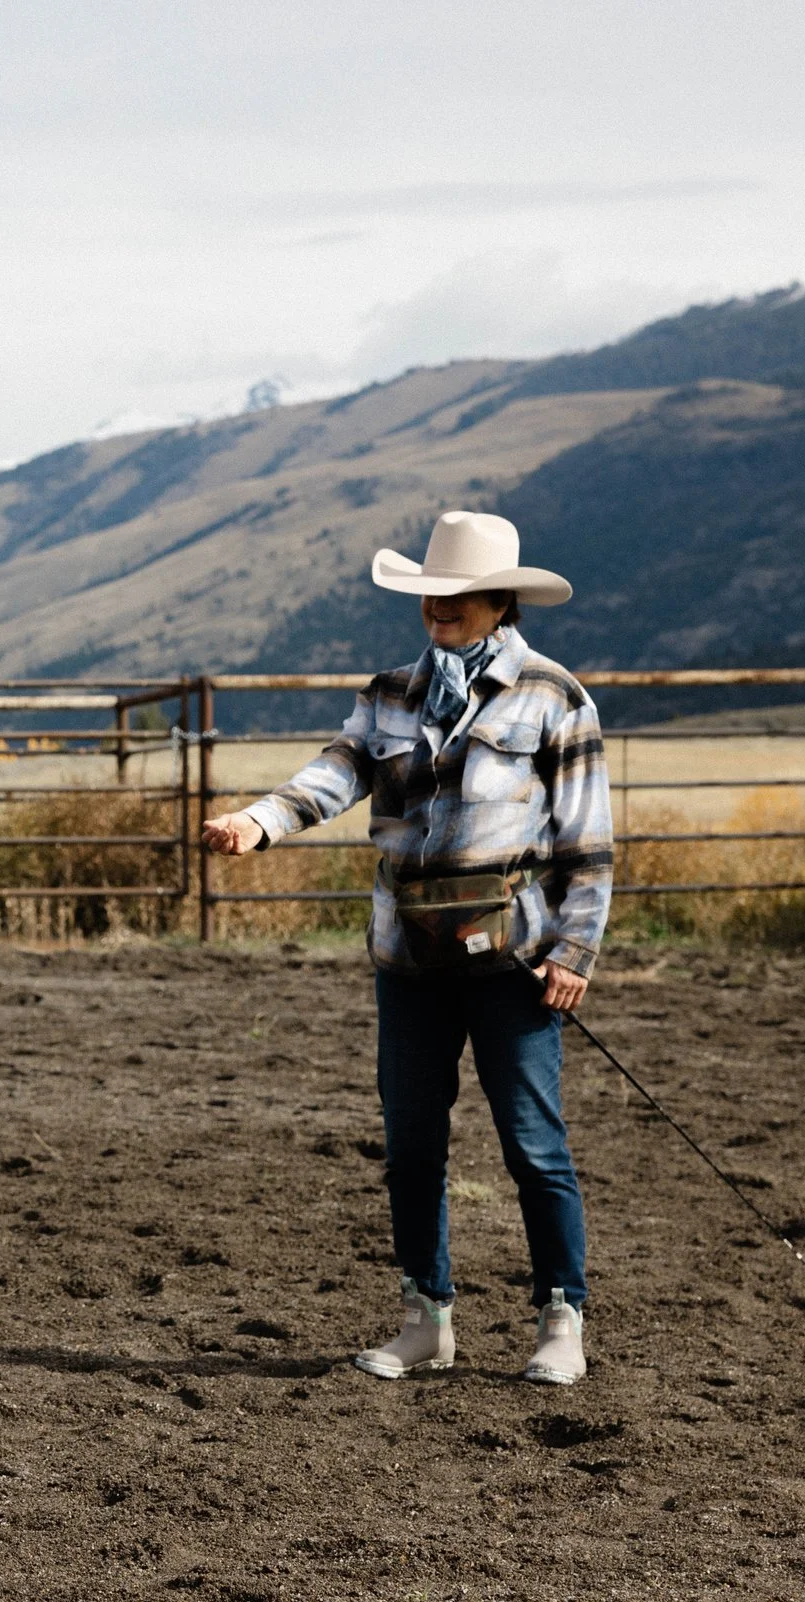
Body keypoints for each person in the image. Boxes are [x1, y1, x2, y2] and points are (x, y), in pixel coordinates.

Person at [203, 510, 611, 1386]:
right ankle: (425, 1317)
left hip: (514, 967)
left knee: (532, 1142)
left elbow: (588, 843)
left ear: (500, 601)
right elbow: (336, 771)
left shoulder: (553, 698)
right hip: (408, 965)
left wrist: (575, 952)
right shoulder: (387, 693)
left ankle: (560, 1319)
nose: (442, 610)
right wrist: (258, 821)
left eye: (458, 596)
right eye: (432, 595)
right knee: (413, 1143)